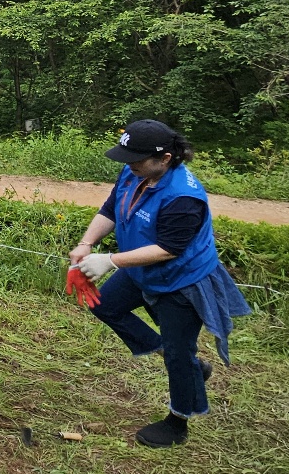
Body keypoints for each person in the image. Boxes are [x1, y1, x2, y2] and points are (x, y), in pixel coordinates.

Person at [69, 119, 251, 449]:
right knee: (104, 304)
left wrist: (110, 261)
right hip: (141, 269)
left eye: (136, 159)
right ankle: (185, 360)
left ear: (165, 158)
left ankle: (178, 421)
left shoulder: (183, 196)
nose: (129, 164)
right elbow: (111, 208)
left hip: (181, 282)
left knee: (179, 355)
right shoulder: (135, 171)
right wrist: (86, 245)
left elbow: (169, 249)